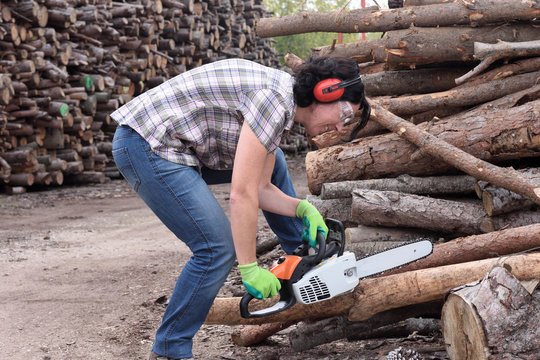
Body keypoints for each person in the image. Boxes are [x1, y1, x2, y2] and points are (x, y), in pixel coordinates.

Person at [110, 55, 370, 360]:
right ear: (325, 92)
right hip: (147, 145)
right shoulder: (274, 102)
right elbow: (243, 193)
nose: (340, 125)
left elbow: (261, 188)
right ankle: (170, 349)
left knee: (275, 165)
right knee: (216, 246)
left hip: (178, 146)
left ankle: (305, 262)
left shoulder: (280, 103)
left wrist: (303, 209)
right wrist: (249, 268)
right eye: (344, 114)